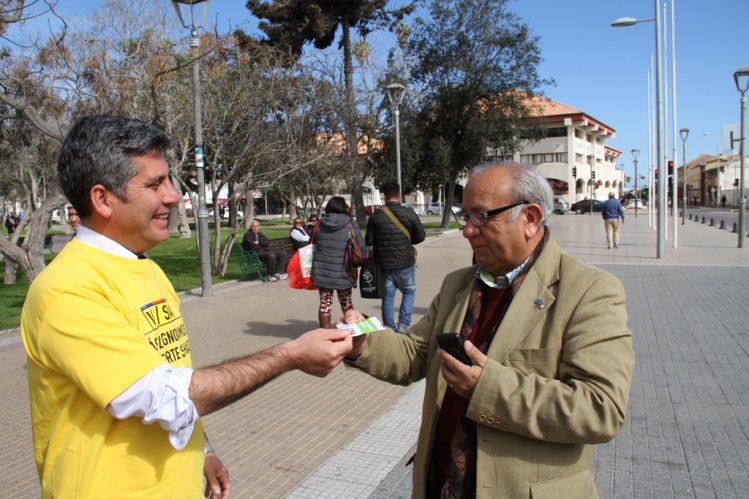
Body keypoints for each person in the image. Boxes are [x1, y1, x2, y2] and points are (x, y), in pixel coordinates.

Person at [21, 115, 355, 499]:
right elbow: (165, 396)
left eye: (169, 180)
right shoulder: (68, 290)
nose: (173, 195)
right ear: (102, 199)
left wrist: (204, 449)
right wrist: (290, 355)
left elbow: (172, 378)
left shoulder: (146, 268)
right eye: (154, 183)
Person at [344, 162, 634, 498]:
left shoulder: (589, 290)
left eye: (481, 216)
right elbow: (416, 353)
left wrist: (487, 388)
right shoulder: (458, 285)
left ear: (531, 218)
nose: (468, 230)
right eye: (465, 216)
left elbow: (600, 409)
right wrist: (363, 341)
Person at [365, 182, 425, 332]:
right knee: (409, 291)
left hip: (384, 265)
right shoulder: (409, 212)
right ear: (399, 195)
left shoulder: (376, 216)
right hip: (405, 262)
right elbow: (421, 235)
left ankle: (390, 328)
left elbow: (369, 241)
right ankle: (403, 325)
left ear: (384, 196)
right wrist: (407, 241)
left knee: (387, 297)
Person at [311, 196, 365, 329]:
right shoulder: (350, 223)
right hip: (343, 272)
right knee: (346, 303)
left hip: (323, 272)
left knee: (325, 304)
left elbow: (312, 243)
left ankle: (324, 335)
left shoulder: (319, 223)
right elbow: (361, 246)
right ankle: (352, 334)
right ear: (343, 208)